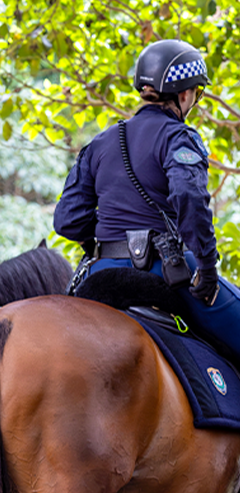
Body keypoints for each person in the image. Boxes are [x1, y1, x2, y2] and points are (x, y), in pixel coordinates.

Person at [54, 39, 240, 362]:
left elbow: (67, 219)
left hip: (102, 270)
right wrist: (207, 266)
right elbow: (189, 198)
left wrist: (98, 241)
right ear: (185, 94)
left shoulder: (99, 143)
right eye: (195, 94)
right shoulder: (179, 137)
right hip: (164, 269)